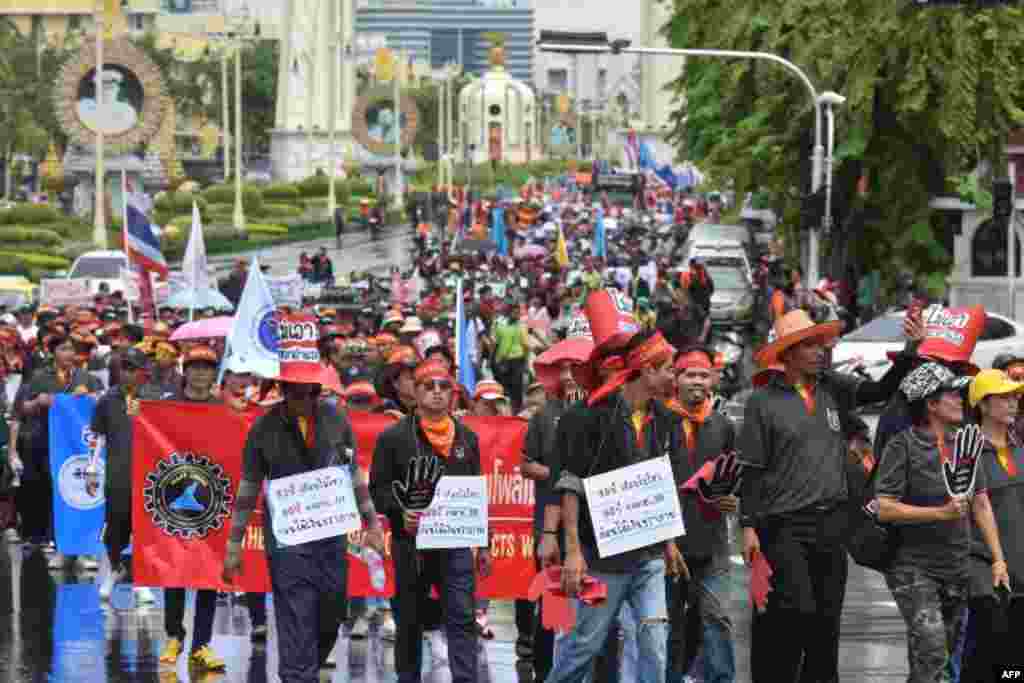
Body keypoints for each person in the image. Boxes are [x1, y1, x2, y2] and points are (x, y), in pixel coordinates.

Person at [738, 309, 917, 683]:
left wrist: (911, 348)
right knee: (796, 610)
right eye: (809, 345)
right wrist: (748, 526)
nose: (820, 351)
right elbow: (752, 471)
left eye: (821, 344)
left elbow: (879, 391)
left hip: (831, 524)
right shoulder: (762, 403)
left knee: (825, 618)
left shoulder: (833, 387)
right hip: (783, 525)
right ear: (787, 353)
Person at [222, 322, 386, 682]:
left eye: (308, 391)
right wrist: (234, 544)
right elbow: (249, 487)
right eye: (293, 391)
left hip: (330, 540)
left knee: (332, 611)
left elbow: (354, 475)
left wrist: (371, 524)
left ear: (317, 389)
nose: (302, 398)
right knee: (295, 612)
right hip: (286, 543)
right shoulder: (263, 428)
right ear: (282, 389)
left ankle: (302, 668)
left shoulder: (335, 419)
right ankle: (297, 675)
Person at [545, 323, 688, 683]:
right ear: (648, 369)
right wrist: (574, 552)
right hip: (602, 558)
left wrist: (669, 542)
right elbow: (570, 487)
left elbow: (658, 487)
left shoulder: (666, 421)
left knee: (655, 640)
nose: (676, 375)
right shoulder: (588, 418)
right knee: (584, 646)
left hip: (650, 558)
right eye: (670, 367)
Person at [876, 363, 1007, 683]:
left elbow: (981, 503)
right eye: (951, 395)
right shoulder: (903, 446)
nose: (960, 400)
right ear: (930, 405)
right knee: (933, 652)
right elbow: (884, 507)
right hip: (913, 568)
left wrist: (998, 559)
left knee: (936, 659)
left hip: (956, 566)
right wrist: (939, 514)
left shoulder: (966, 444)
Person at [369, 358, 492, 683]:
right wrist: (400, 512)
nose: (437, 393)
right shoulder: (393, 438)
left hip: (455, 546)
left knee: (462, 618)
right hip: (411, 546)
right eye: (429, 387)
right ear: (416, 391)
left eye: (444, 387)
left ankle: (465, 679)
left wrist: (484, 545)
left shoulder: (467, 438)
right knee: (409, 620)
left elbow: (476, 494)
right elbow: (377, 489)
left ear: (452, 394)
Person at [667, 347, 737, 683]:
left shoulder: (723, 426)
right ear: (676, 380)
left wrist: (732, 497)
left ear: (712, 380)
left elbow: (734, 476)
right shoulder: (659, 422)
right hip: (668, 543)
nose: (697, 380)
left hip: (713, 540)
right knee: (669, 622)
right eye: (689, 374)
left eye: (703, 374)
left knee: (717, 617)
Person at [158, 346, 227, 672]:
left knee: (208, 572)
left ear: (214, 373)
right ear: (185, 370)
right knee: (174, 568)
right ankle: (174, 634)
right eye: (195, 367)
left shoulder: (223, 406)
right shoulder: (168, 403)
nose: (200, 373)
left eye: (207, 368)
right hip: (174, 496)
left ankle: (201, 643)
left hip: (211, 498)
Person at [12, 335, 102, 561]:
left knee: (74, 491)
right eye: (63, 349)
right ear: (53, 353)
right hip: (44, 442)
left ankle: (79, 544)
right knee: (46, 490)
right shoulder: (40, 378)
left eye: (72, 349)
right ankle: (47, 537)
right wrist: (38, 402)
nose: (69, 354)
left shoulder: (86, 377)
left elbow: (102, 402)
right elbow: (22, 409)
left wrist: (91, 397)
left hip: (77, 447)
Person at [960, 369, 1022, 683]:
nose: (1013, 403)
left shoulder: (1020, 449)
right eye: (1004, 397)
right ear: (983, 406)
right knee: (987, 654)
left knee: (1015, 666)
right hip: (985, 571)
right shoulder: (967, 455)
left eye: (1015, 397)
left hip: (1021, 569)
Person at [89, 347, 152, 600]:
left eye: (132, 368)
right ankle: (115, 568)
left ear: (142, 372)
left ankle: (142, 580)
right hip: (117, 475)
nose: (127, 373)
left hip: (147, 475)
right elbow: (98, 436)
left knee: (144, 529)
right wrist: (92, 469)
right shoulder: (106, 400)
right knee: (114, 528)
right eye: (124, 367)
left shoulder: (152, 399)